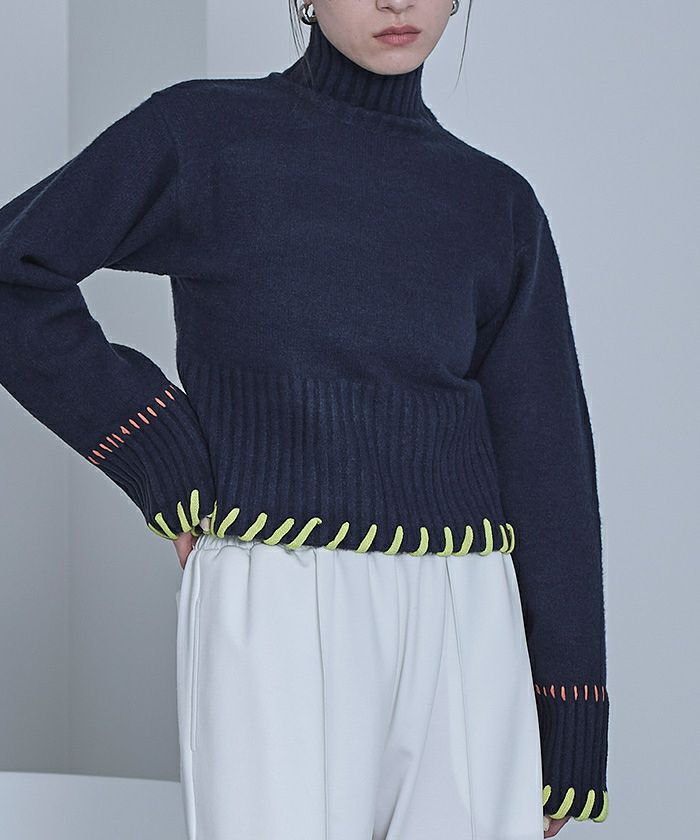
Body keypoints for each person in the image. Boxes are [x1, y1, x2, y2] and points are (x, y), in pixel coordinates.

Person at [0, 1, 610, 838]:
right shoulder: (206, 136)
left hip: (469, 610)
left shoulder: (496, 203)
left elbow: (549, 462)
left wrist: (568, 710)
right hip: (275, 591)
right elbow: (14, 271)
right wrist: (155, 446)